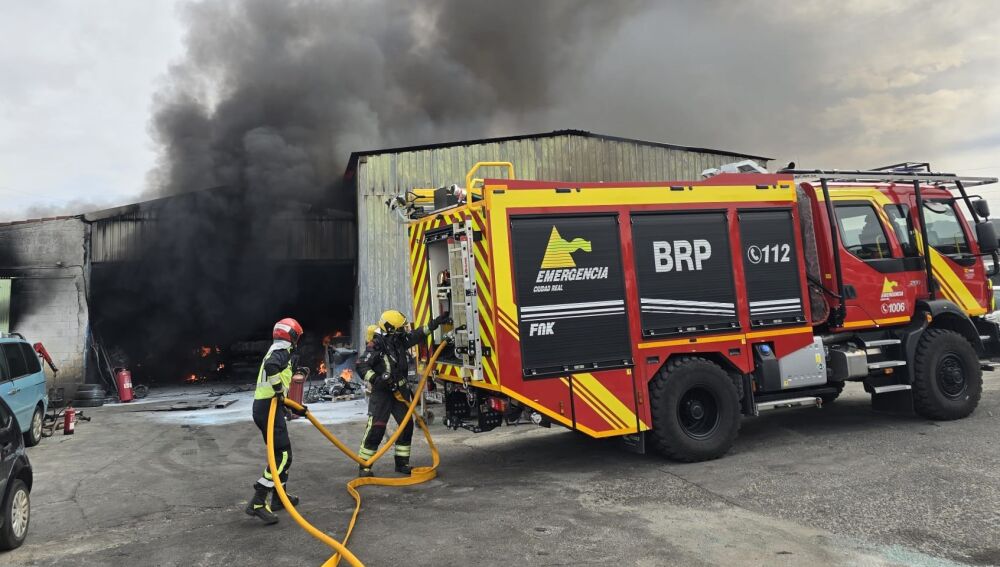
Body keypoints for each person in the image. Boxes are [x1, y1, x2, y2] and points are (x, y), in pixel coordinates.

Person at [357, 310, 449, 477]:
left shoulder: (398, 340)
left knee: (406, 426)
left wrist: (437, 322)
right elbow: (362, 366)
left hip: (400, 392)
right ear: (391, 329)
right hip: (383, 394)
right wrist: (377, 379)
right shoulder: (376, 345)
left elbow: (418, 334)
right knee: (376, 428)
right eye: (400, 328)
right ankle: (365, 465)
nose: (404, 331)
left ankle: (402, 463)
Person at [245, 317, 305, 525]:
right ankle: (258, 501)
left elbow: (278, 372)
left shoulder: (278, 349)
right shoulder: (281, 351)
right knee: (282, 456)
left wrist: (284, 402)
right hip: (267, 408)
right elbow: (272, 368)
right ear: (293, 336)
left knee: (279, 452)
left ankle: (280, 497)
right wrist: (279, 392)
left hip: (267, 407)